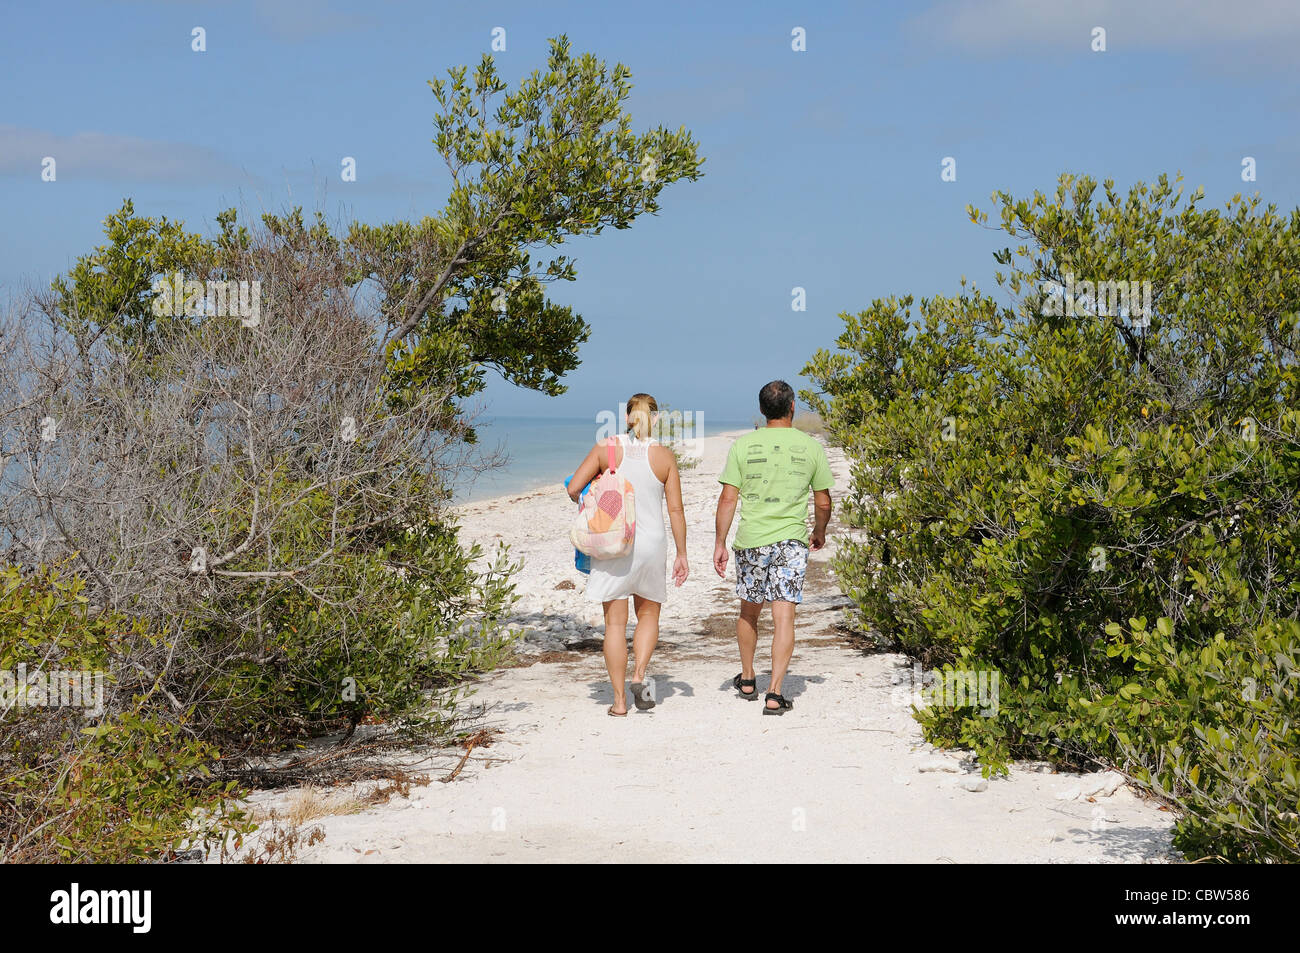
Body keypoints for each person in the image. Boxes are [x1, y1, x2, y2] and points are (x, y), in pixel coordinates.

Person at [713, 380, 832, 714]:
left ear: (763, 410)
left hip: (751, 539)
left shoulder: (743, 446)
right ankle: (775, 693)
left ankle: (749, 678)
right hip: (791, 542)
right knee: (784, 617)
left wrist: (719, 543)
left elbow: (728, 498)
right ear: (792, 407)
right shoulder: (810, 447)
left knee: (749, 610)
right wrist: (819, 531)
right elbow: (822, 501)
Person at [569, 393, 688, 716]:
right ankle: (639, 675)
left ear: (626, 417)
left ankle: (619, 701)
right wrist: (682, 553)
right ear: (656, 419)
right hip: (652, 545)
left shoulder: (607, 448)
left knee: (614, 626)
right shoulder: (663, 456)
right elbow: (675, 509)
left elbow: (572, 488)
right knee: (648, 616)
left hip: (614, 543)